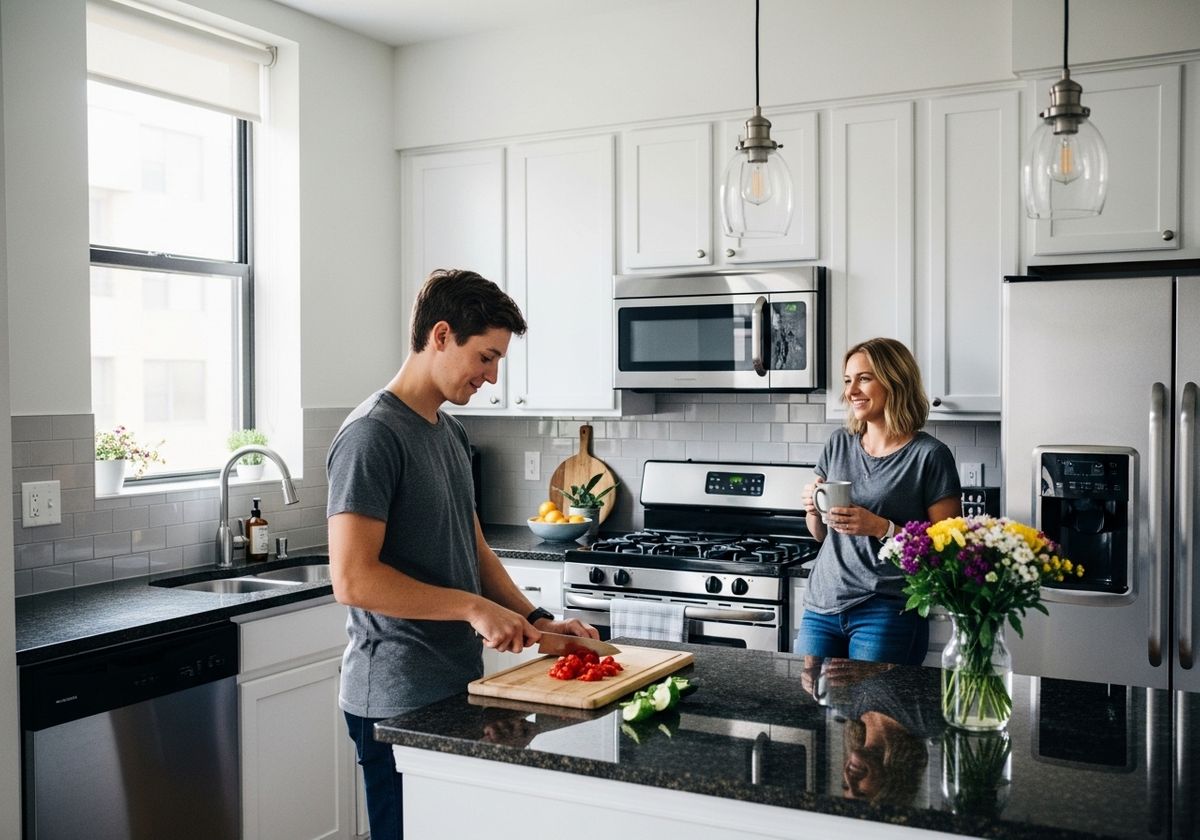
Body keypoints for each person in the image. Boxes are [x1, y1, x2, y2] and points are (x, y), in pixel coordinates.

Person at [326, 268, 598, 839]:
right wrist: (473, 610)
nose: (492, 377)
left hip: (457, 685)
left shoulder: (449, 434)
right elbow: (353, 579)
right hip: (394, 697)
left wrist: (540, 620)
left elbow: (472, 551)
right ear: (442, 335)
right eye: (486, 357)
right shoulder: (371, 435)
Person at [795, 337, 961, 665]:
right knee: (816, 711)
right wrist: (812, 509)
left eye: (864, 378)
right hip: (821, 606)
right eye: (847, 380)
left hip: (886, 610)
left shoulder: (929, 456)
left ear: (895, 381)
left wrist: (881, 528)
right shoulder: (839, 443)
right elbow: (821, 535)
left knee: (876, 712)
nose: (851, 391)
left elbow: (947, 551)